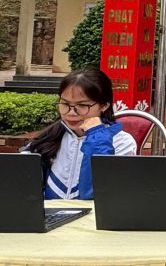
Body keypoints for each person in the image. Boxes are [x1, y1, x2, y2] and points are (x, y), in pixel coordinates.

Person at [22, 68, 136, 200]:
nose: (71, 112)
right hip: (50, 212)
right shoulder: (50, 136)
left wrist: (96, 136)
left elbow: (95, 193)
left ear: (104, 105)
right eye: (65, 104)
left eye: (82, 105)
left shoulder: (122, 142)